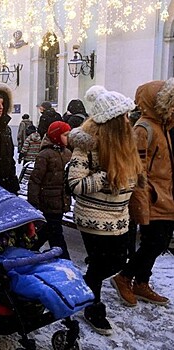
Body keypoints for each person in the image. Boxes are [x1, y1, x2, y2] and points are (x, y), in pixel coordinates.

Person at [66, 86, 143, 335]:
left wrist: (134, 180)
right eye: (122, 117)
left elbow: (130, 177)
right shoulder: (87, 147)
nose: (127, 121)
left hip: (120, 217)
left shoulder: (125, 145)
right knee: (101, 264)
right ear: (111, 122)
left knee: (117, 261)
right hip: (93, 217)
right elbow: (75, 185)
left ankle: (85, 293)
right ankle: (93, 307)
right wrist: (106, 176)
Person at [112, 78, 174, 307]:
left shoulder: (163, 127)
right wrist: (142, 206)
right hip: (153, 197)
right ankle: (124, 277)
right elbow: (138, 172)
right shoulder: (144, 128)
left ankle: (141, 282)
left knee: (159, 242)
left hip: (165, 196)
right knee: (154, 243)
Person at [27, 121, 72, 259]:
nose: (68, 138)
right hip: (48, 200)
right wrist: (33, 201)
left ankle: (30, 249)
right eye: (65, 135)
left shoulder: (67, 153)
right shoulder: (45, 155)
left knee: (49, 230)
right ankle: (64, 259)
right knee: (56, 232)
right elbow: (35, 180)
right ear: (57, 136)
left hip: (60, 200)